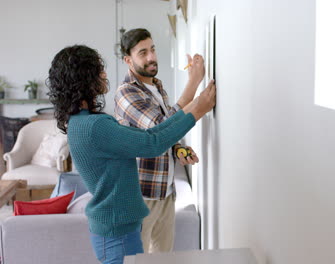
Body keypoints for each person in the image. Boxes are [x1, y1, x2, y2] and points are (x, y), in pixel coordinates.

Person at [47, 44, 215, 264]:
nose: (104, 74)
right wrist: (198, 110)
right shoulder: (95, 126)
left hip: (115, 230)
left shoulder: (82, 122)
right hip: (117, 233)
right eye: (99, 70)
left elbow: (151, 134)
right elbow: (152, 144)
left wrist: (194, 107)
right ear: (83, 78)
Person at [114, 28, 204, 253]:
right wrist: (193, 84)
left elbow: (165, 135)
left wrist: (178, 150)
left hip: (165, 190)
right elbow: (159, 128)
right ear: (128, 60)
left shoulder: (157, 86)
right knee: (138, 258)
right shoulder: (126, 93)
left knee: (163, 259)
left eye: (152, 49)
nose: (151, 57)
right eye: (142, 53)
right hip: (140, 196)